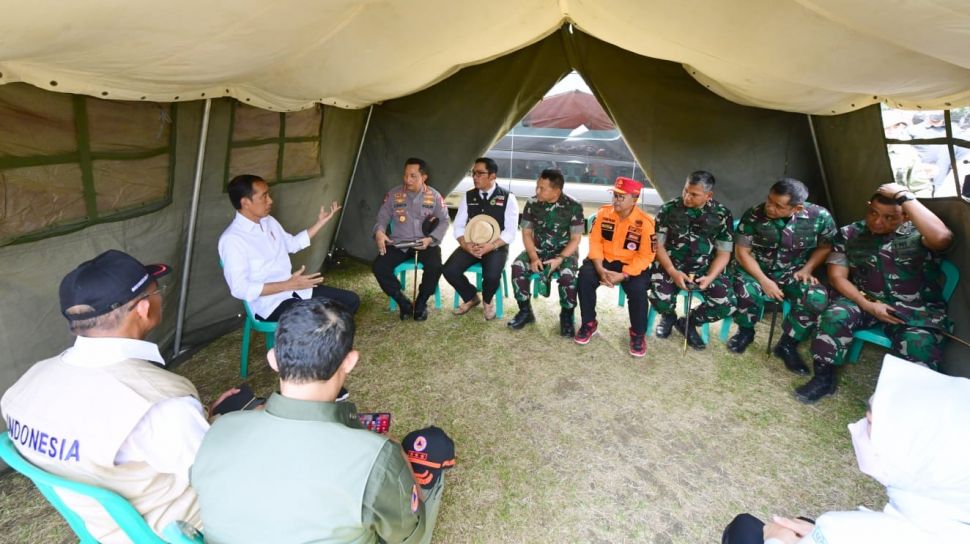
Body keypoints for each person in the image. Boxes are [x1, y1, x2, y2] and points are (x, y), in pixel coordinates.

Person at [1, 250, 238, 543]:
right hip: (176, 529)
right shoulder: (159, 402)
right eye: (156, 291)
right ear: (142, 309)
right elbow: (222, 476)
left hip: (101, 528)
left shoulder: (28, 383)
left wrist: (199, 419)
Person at [191, 299, 454, 544]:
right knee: (429, 450)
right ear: (350, 361)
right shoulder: (376, 457)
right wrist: (401, 462)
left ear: (273, 359)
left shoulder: (218, 430)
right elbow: (408, 536)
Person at [722, 354, 970, 543]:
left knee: (745, 526)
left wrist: (776, 538)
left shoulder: (843, 530)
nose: (857, 427)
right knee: (805, 523)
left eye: (872, 423)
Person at [794, 182, 953, 403]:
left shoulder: (919, 234)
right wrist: (867, 304)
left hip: (916, 309)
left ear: (906, 216)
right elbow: (837, 277)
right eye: (873, 213)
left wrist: (904, 195)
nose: (878, 222)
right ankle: (823, 379)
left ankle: (902, 404)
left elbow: (943, 238)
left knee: (920, 346)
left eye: (890, 217)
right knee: (835, 315)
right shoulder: (850, 234)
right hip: (865, 299)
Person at [727, 178, 836, 375]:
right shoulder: (754, 214)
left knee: (816, 296)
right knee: (745, 291)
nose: (769, 207)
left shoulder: (820, 216)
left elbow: (826, 247)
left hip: (792, 271)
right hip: (754, 269)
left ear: (797, 208)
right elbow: (742, 253)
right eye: (769, 200)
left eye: (778, 206)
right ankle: (745, 332)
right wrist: (764, 281)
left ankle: (787, 345)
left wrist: (808, 269)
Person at [218, 174, 360, 323]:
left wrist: (320, 223)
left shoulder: (269, 221)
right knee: (321, 318)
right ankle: (320, 339)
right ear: (246, 202)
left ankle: (327, 337)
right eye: (264, 197)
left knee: (350, 301)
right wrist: (287, 285)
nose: (270, 201)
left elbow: (292, 244)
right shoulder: (232, 240)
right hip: (269, 305)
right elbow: (240, 288)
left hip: (295, 290)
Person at [648, 171, 735, 350]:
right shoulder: (668, 209)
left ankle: (689, 322)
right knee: (660, 297)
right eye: (685, 190)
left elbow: (724, 253)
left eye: (694, 194)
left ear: (708, 195)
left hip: (705, 268)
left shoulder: (721, 214)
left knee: (726, 304)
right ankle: (668, 316)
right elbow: (659, 246)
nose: (687, 197)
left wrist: (710, 277)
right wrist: (672, 271)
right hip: (670, 265)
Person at [574, 177, 657, 357]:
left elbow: (646, 255)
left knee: (638, 289)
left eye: (621, 197)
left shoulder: (645, 223)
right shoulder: (604, 213)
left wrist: (625, 274)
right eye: (615, 195)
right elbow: (595, 242)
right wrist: (599, 268)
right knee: (585, 277)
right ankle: (589, 323)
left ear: (634, 199)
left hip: (630, 264)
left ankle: (637, 333)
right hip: (603, 260)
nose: (616, 200)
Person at [507, 168, 584, 335]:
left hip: (564, 252)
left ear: (557, 190)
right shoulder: (532, 203)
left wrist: (560, 258)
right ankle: (525, 312)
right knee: (518, 266)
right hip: (539, 250)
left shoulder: (574, 206)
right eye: (537, 186)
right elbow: (526, 233)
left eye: (542, 188)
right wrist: (534, 257)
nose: (537, 191)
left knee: (568, 277)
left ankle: (566, 316)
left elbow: (575, 239)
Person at [372, 157, 450, 321]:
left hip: (425, 243)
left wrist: (431, 239)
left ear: (424, 177)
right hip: (399, 243)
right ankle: (403, 302)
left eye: (413, 176)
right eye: (406, 175)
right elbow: (382, 218)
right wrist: (379, 232)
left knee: (435, 266)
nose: (408, 180)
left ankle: (421, 301)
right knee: (379, 267)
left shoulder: (434, 196)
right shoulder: (393, 195)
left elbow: (444, 220)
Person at [443, 157, 519, 320]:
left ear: (492, 176)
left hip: (496, 245)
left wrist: (490, 246)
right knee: (449, 270)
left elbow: (510, 232)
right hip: (472, 243)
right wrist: (465, 244)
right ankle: (471, 297)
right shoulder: (468, 196)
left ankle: (487, 300)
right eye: (473, 173)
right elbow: (458, 225)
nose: (475, 177)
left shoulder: (507, 197)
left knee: (491, 275)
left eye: (480, 173)